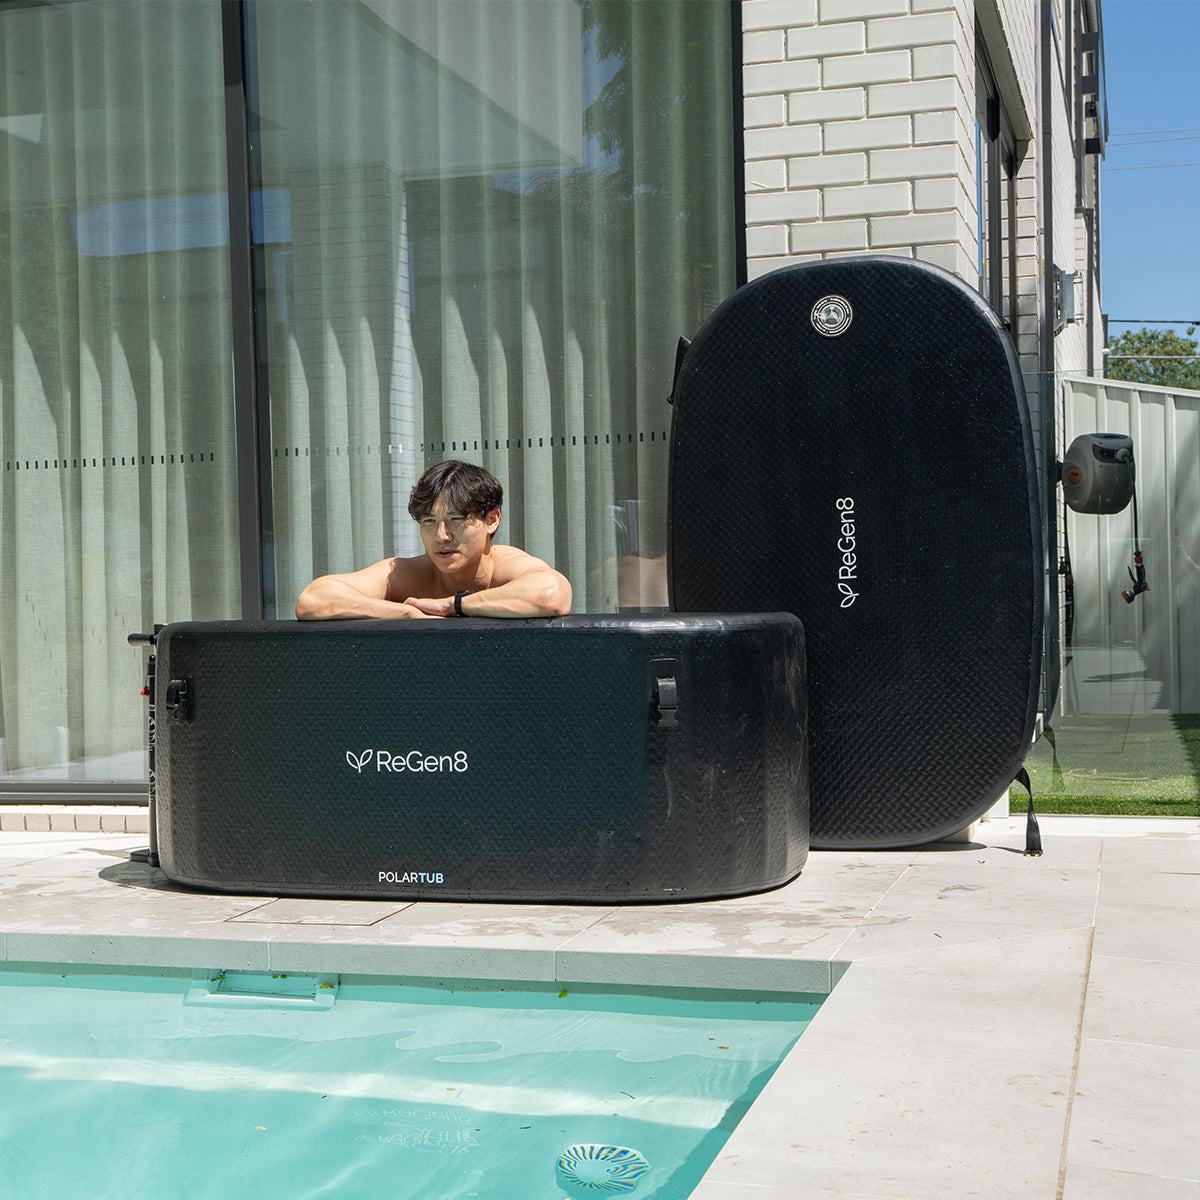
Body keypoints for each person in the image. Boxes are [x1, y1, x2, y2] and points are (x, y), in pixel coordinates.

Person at [295, 460, 572, 620]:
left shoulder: (507, 566)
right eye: (429, 522)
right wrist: (405, 614)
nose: (442, 536)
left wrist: (452, 605)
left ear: (492, 520)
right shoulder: (408, 575)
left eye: (457, 519)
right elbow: (312, 600)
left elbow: (550, 595)